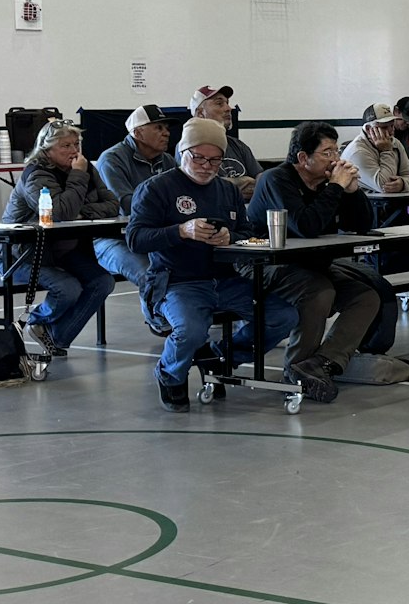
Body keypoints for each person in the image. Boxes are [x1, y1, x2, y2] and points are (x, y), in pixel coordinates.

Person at [127, 117, 298, 412]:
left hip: (226, 278)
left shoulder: (228, 190)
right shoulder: (156, 188)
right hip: (178, 280)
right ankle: (169, 374)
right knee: (191, 330)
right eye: (200, 158)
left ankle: (222, 358)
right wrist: (180, 231)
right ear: (183, 153)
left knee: (283, 316)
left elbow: (247, 231)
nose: (207, 165)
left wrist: (230, 235)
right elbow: (136, 239)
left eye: (216, 160)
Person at [242, 122, 383, 404]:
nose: (336, 159)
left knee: (366, 296)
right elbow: (305, 225)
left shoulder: (327, 184)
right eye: (327, 152)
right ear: (303, 158)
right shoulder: (275, 180)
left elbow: (364, 225)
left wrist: (353, 191)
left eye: (337, 150)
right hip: (264, 264)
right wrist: (336, 187)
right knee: (319, 292)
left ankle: (319, 364)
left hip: (309, 263)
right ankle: (293, 372)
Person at [0, 119, 118, 358]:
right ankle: (35, 321)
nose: (74, 151)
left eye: (76, 144)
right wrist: (77, 178)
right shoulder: (36, 174)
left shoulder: (85, 169)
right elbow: (59, 213)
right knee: (68, 288)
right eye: (65, 146)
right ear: (47, 149)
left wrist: (82, 211)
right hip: (22, 255)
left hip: (63, 250)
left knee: (103, 281)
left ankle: (57, 336)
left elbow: (112, 205)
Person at [94, 102, 175, 335]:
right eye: (158, 128)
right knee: (148, 270)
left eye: (166, 128)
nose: (166, 133)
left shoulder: (167, 161)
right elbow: (127, 205)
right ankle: (158, 319)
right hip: (111, 238)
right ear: (137, 132)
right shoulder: (112, 159)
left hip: (152, 235)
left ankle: (186, 313)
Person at [190, 85, 261, 200]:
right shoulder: (189, 147)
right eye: (219, 103)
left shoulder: (239, 146)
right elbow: (202, 186)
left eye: (227, 103)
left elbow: (260, 178)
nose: (228, 108)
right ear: (200, 113)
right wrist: (242, 181)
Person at [343, 103, 409, 196]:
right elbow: (384, 185)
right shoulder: (357, 151)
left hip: (391, 205)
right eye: (384, 127)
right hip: (364, 206)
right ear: (369, 129)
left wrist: (403, 183)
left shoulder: (395, 143)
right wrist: (386, 151)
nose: (391, 131)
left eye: (392, 126)